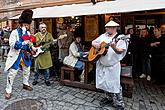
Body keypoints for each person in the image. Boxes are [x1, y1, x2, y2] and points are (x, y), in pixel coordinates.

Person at [92, 20, 128, 110]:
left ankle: (119, 103)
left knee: (114, 84)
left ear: (114, 28)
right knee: (104, 82)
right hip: (102, 64)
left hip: (113, 65)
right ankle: (108, 98)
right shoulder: (103, 35)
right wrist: (96, 45)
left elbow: (121, 51)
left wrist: (114, 47)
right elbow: (93, 42)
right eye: (107, 27)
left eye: (109, 28)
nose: (107, 29)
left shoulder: (120, 38)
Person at [4, 9, 35, 99]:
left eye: (27, 24)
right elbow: (12, 44)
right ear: (21, 24)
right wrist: (22, 43)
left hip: (25, 55)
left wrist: (32, 47)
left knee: (27, 71)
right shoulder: (14, 32)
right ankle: (8, 90)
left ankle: (25, 84)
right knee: (12, 73)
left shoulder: (28, 33)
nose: (27, 26)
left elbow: (30, 43)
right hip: (16, 55)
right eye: (25, 24)